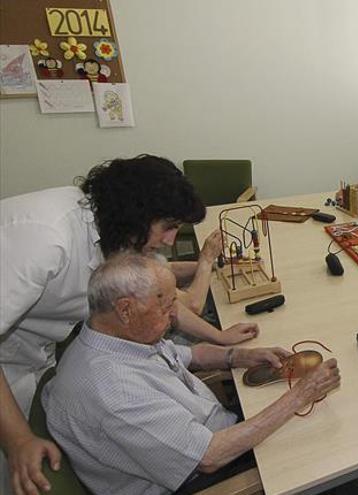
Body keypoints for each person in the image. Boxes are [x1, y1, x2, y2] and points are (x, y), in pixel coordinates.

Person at [0, 154, 257, 495]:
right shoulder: (47, 239)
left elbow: (156, 287)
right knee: (20, 469)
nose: (169, 240)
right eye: (167, 227)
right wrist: (18, 440)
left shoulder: (111, 229)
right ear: (137, 213)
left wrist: (208, 281)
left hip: (35, 350)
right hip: (11, 361)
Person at [42, 253, 341, 494]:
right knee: (325, 446)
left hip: (207, 432)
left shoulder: (118, 337)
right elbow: (209, 457)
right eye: (166, 304)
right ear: (125, 310)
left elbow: (191, 355)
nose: (175, 313)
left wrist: (238, 355)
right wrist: (300, 395)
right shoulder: (114, 392)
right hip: (200, 473)